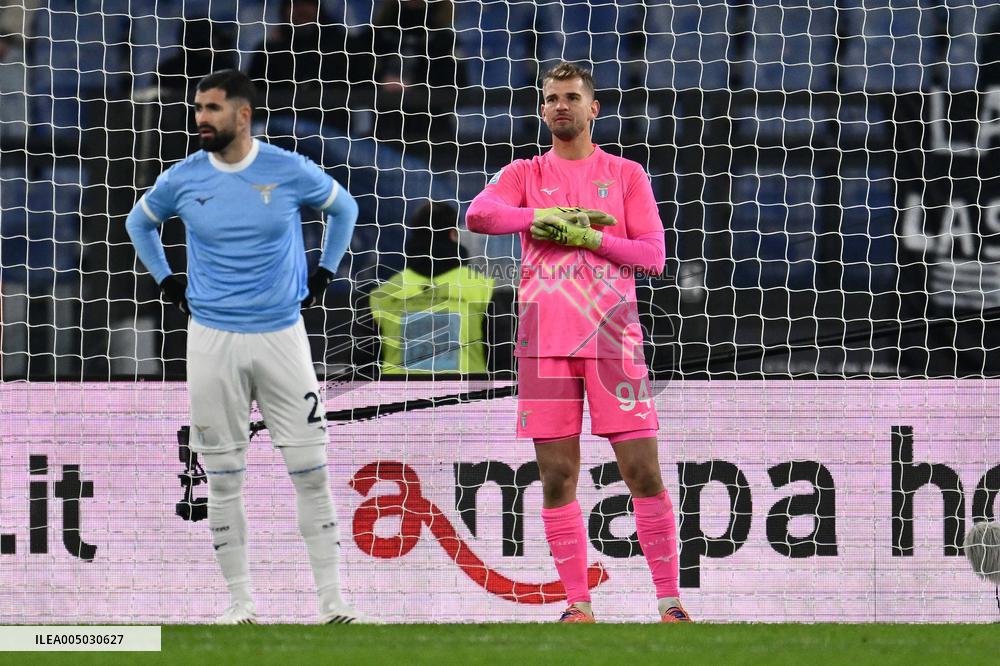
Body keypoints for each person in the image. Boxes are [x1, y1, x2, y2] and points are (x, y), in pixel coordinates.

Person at [124, 69, 371, 625]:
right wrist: (167, 280)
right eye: (197, 109)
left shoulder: (286, 168)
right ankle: (240, 604)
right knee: (224, 474)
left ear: (242, 114)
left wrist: (325, 271)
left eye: (211, 108)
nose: (201, 119)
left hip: (282, 334)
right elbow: (139, 224)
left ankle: (333, 603)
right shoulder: (182, 178)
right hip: (211, 338)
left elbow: (346, 209)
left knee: (310, 469)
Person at [465, 62, 689, 623]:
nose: (559, 106)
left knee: (642, 472)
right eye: (550, 99)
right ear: (543, 110)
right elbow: (479, 214)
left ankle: (670, 602)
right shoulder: (524, 172)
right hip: (543, 337)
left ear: (594, 109)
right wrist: (544, 218)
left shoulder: (627, 174)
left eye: (570, 97)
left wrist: (590, 236)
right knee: (557, 476)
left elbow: (654, 256)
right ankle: (577, 604)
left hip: (615, 337)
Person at [362, 200, 507, 374]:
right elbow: (503, 358)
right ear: (453, 234)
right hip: (466, 398)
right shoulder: (481, 288)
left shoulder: (383, 293)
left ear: (414, 237)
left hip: (397, 398)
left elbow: (362, 364)